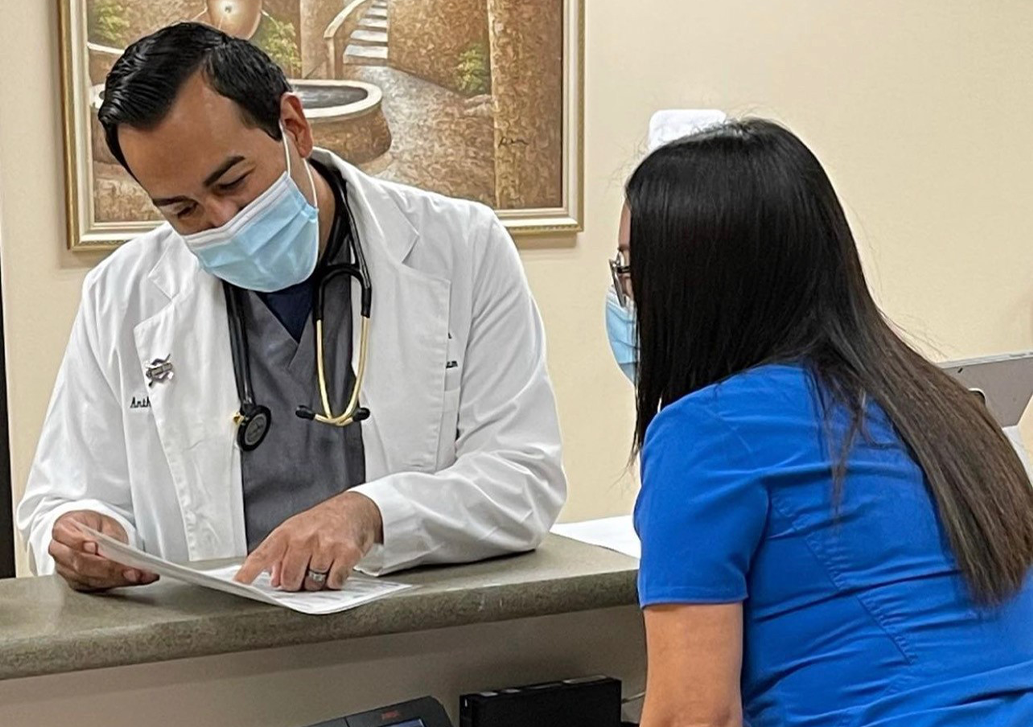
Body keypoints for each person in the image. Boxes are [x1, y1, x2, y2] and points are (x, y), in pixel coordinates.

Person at [18, 22, 565, 593]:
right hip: (214, 639)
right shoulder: (121, 295)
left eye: (233, 182)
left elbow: (522, 481)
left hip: (412, 631)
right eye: (183, 210)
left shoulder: (461, 247)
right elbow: (62, 500)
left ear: (294, 127)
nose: (223, 223)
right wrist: (83, 535)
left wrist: (371, 514)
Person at [607, 119, 1033, 726]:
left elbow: (693, 716)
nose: (626, 298)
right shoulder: (946, 408)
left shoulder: (704, 432)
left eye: (629, 271)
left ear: (691, 285)